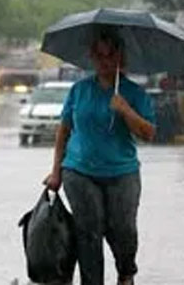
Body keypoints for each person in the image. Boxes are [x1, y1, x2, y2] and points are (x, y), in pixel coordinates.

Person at [43, 27, 156, 285]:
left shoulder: (134, 94)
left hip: (122, 172)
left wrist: (125, 110)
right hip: (79, 171)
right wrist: (56, 171)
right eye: (99, 56)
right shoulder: (79, 91)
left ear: (120, 59)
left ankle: (126, 273)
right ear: (92, 58)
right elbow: (64, 131)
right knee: (89, 231)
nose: (105, 62)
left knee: (123, 230)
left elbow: (148, 133)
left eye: (110, 56)